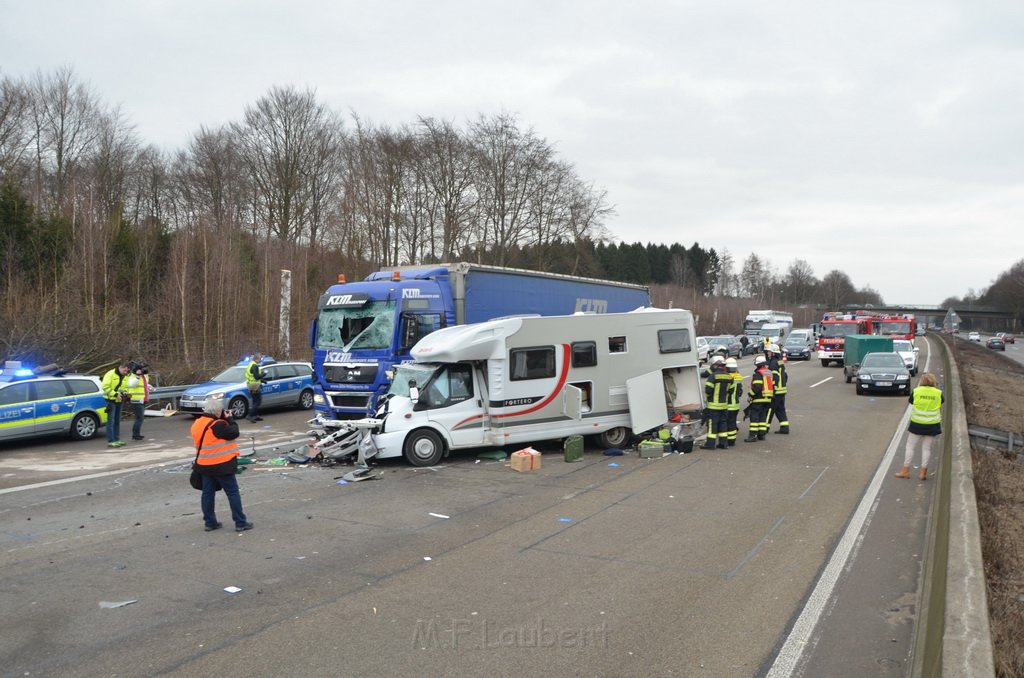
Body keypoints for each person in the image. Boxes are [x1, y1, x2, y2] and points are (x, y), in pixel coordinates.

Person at [191, 396, 253, 532]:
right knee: (232, 493)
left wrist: (223, 419)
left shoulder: (198, 423)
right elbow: (234, 432)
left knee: (207, 494)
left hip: (204, 464)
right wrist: (230, 419)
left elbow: (212, 437)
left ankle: (210, 522)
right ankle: (240, 522)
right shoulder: (218, 425)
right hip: (222, 464)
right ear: (218, 411)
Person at [895, 373, 943, 481]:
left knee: (910, 447)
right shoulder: (938, 393)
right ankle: (922, 473)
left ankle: (905, 470)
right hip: (932, 425)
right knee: (926, 448)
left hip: (917, 424)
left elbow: (911, 401)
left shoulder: (917, 391)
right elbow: (941, 403)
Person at [701, 355, 731, 450]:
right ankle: (723, 443)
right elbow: (730, 390)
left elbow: (708, 390)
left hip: (713, 406)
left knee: (712, 425)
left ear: (715, 365)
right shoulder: (729, 376)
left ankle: (710, 444)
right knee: (723, 424)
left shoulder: (713, 376)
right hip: (724, 405)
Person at [101, 361, 131, 447]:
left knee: (117, 421)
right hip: (110, 400)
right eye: (124, 371)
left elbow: (125, 387)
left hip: (119, 400)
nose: (126, 373)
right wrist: (115, 394)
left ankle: (117, 439)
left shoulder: (125, 376)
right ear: (120, 367)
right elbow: (105, 387)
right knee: (111, 421)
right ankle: (111, 440)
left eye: (127, 371)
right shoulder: (110, 374)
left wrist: (125, 393)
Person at [744, 355, 774, 442]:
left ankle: (752, 436)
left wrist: (750, 395)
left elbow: (757, 387)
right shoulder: (769, 372)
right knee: (762, 417)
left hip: (759, 399)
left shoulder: (758, 374)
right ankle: (762, 435)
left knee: (754, 418)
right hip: (767, 399)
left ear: (757, 364)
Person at [766, 344, 790, 434]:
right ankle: (784, 428)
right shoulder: (780, 362)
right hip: (782, 390)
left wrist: (772, 389)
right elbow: (786, 376)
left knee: (769, 409)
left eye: (769, 352)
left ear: (773, 353)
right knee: (780, 409)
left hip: (776, 391)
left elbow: (774, 378)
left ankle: (764, 428)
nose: (768, 353)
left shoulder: (773, 363)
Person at [126, 363, 150, 441]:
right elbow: (132, 385)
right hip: (136, 400)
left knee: (140, 418)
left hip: (143, 399)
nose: (144, 370)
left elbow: (145, 385)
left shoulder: (144, 376)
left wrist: (150, 387)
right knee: (139, 418)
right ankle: (135, 435)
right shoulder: (132, 376)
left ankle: (137, 434)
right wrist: (137, 376)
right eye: (142, 369)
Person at [724, 357, 743, 446]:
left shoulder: (727, 377)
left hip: (728, 404)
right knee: (733, 422)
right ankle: (732, 439)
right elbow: (740, 392)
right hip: (736, 404)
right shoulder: (738, 376)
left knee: (728, 423)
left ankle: (729, 440)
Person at [245, 353, 265, 423]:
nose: (260, 360)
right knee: (258, 401)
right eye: (260, 359)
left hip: (251, 384)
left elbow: (253, 376)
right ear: (256, 359)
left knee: (255, 400)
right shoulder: (254, 366)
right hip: (254, 386)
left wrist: (262, 380)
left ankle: (255, 415)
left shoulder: (251, 364)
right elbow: (256, 376)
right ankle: (250, 415)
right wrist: (263, 374)